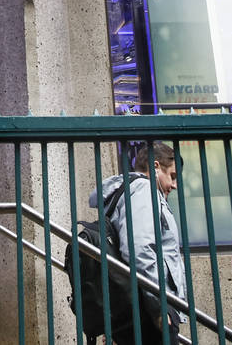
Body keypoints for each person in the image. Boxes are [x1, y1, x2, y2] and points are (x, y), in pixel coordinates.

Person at [90, 141, 187, 345]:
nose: (175, 185)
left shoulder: (131, 191)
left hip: (142, 304)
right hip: (151, 307)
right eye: (173, 176)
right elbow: (139, 249)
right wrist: (159, 307)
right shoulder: (144, 190)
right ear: (155, 166)